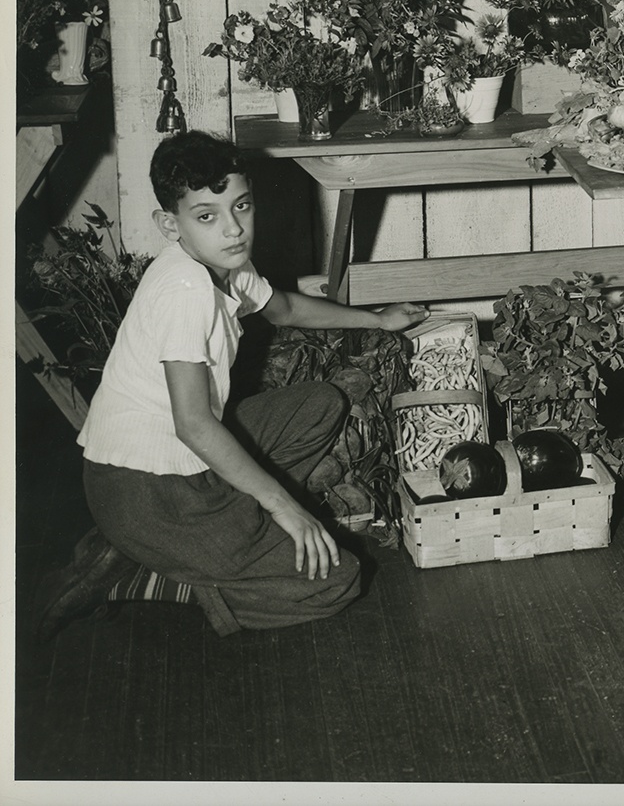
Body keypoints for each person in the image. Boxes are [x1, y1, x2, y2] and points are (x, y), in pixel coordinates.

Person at [36, 129, 428, 639]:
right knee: (337, 582)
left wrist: (377, 319)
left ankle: (209, 538)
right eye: (207, 216)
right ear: (168, 224)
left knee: (319, 404)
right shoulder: (185, 290)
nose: (233, 229)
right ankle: (152, 574)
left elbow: (283, 308)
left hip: (175, 467)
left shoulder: (225, 264)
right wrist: (286, 509)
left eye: (241, 206)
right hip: (145, 493)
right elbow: (194, 425)